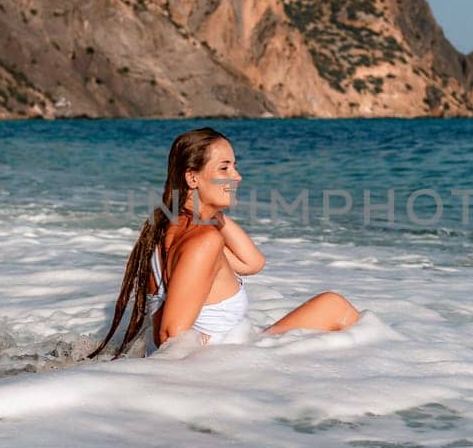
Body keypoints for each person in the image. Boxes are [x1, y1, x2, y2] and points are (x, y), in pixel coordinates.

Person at [87, 127, 361, 360]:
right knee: (339, 313)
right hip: (225, 371)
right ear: (192, 177)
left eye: (234, 166)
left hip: (231, 358)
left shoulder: (166, 230)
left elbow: (252, 263)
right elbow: (171, 336)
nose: (237, 176)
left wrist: (211, 213)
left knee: (332, 304)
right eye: (224, 167)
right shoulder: (203, 240)